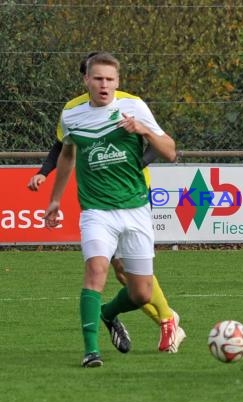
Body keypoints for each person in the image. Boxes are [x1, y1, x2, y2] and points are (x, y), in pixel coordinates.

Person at [31, 53, 186, 356]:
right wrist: (53, 196)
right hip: (97, 209)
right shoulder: (72, 113)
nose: (104, 85)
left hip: (135, 203)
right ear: (85, 80)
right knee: (102, 269)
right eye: (98, 78)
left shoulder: (133, 105)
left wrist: (143, 131)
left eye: (109, 79)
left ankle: (117, 312)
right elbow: (65, 152)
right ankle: (94, 351)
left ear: (117, 81)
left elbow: (169, 151)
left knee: (137, 290)